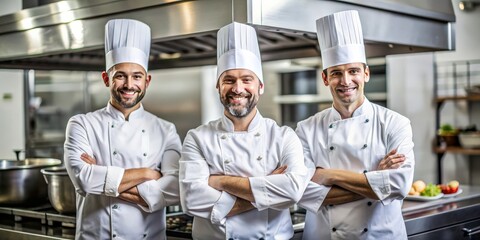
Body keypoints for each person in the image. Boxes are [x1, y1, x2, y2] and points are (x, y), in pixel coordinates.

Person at [179, 22, 310, 240]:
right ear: (218, 86)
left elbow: (293, 191)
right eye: (228, 80)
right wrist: (267, 186)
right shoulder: (197, 138)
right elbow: (191, 200)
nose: (238, 89)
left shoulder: (284, 136)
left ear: (260, 86)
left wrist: (220, 181)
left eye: (246, 80)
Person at [296, 10, 415, 239]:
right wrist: (375, 180)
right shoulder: (306, 129)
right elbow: (302, 193)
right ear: (324, 78)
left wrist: (328, 175)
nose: (346, 81)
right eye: (336, 73)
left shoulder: (395, 123)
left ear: (366, 74)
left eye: (353, 71)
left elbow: (399, 186)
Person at [64, 19, 182, 240]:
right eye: (120, 76)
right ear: (106, 79)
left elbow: (176, 187)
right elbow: (84, 179)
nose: (129, 85)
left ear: (147, 81)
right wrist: (149, 174)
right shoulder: (82, 124)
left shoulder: (166, 129)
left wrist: (104, 180)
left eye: (137, 76)